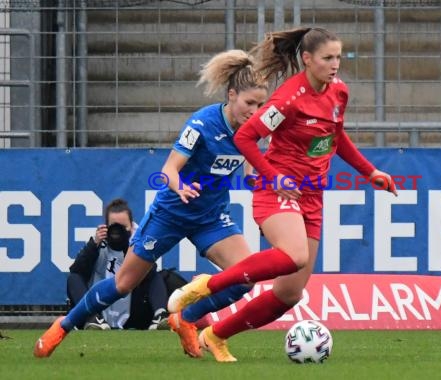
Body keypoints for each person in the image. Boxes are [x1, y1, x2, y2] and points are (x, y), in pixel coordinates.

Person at [167, 27, 398, 362]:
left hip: (312, 195)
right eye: (327, 58)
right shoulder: (288, 99)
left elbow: (335, 139)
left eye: (338, 57)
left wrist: (370, 172)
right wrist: (273, 177)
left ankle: (215, 335)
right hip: (276, 187)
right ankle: (204, 286)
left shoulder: (339, 92)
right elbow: (246, 137)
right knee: (294, 254)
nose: (335, 64)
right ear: (307, 59)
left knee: (290, 292)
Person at [33, 49, 269, 359]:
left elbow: (251, 174)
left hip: (210, 217)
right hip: (170, 213)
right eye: (249, 103)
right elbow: (168, 170)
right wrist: (181, 186)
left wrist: (269, 187)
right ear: (232, 94)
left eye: (261, 105)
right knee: (122, 284)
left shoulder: (254, 130)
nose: (255, 111)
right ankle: (63, 326)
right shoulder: (202, 124)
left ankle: (184, 317)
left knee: (244, 277)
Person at [67, 198, 170, 330]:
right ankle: (92, 319)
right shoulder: (98, 244)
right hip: (99, 310)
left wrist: (132, 245)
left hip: (133, 311)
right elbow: (76, 270)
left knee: (157, 275)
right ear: (106, 226)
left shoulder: (138, 242)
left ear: (131, 227)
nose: (118, 232)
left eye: (122, 228)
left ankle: (159, 316)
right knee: (73, 278)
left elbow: (150, 272)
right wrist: (94, 244)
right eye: (114, 227)